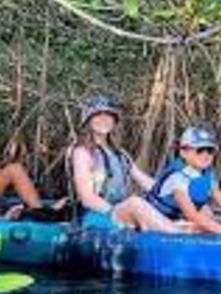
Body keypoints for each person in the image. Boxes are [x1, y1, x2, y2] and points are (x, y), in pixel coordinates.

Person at [70, 94, 179, 232]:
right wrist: (117, 212)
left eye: (108, 115)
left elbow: (144, 181)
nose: (104, 119)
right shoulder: (82, 152)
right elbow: (87, 198)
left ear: (114, 120)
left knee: (173, 204)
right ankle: (180, 238)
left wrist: (172, 194)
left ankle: (183, 231)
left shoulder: (120, 154)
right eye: (98, 115)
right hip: (96, 216)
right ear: (88, 120)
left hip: (122, 212)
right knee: (135, 203)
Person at [146, 124, 221, 235]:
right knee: (203, 217)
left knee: (207, 212)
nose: (205, 155)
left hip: (178, 220)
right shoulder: (177, 177)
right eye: (200, 150)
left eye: (210, 150)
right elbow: (191, 214)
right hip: (157, 219)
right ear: (183, 152)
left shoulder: (207, 174)